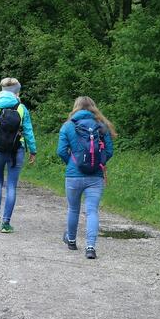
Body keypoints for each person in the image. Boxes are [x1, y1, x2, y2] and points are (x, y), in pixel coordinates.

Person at [57, 96, 115, 260]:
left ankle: (71, 240)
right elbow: (109, 151)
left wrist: (72, 163)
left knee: (73, 209)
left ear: (76, 107)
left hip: (73, 175)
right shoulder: (101, 126)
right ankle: (90, 247)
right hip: (95, 176)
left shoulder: (68, 126)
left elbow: (61, 151)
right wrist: (99, 163)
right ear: (93, 108)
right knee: (92, 211)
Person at [0, 78, 37, 233]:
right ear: (17, 92)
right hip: (17, 150)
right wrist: (33, 151)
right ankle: (6, 223)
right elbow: (28, 132)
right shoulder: (21, 108)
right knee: (11, 185)